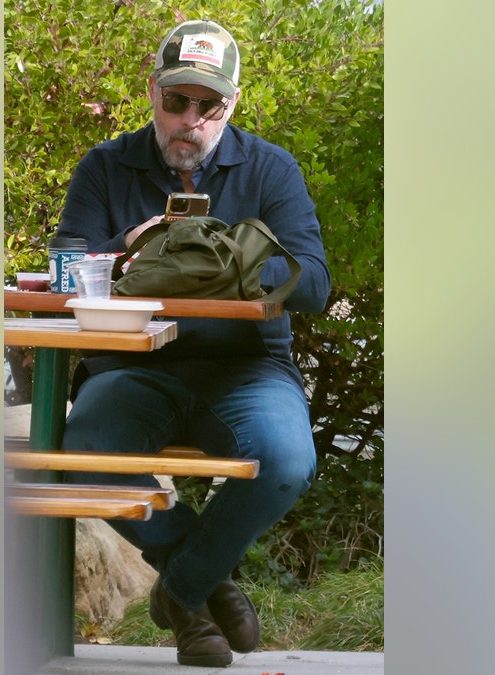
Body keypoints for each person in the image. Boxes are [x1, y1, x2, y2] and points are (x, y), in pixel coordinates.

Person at [55, 19, 330, 668]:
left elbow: (314, 282)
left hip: (247, 367)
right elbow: (72, 265)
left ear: (230, 105)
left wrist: (223, 259)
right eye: (177, 100)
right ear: (153, 93)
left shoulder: (270, 169)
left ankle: (180, 591)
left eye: (209, 106)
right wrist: (128, 249)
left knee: (288, 460)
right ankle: (205, 586)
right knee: (85, 451)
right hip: (136, 366)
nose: (190, 119)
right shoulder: (105, 166)